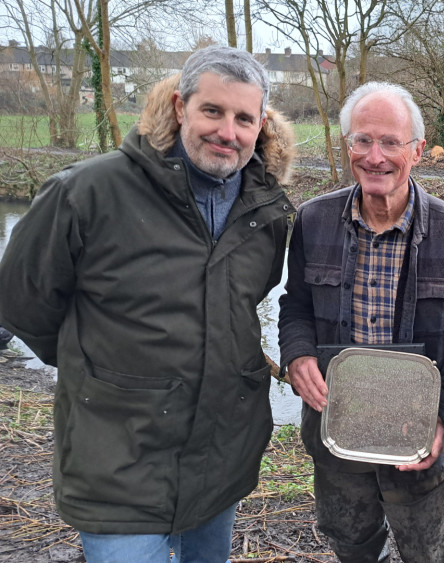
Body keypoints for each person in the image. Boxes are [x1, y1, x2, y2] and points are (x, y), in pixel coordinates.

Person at [0, 45, 295, 561]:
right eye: (212, 111)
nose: (228, 132)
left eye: (244, 118)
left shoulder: (266, 212)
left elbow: (245, 303)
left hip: (219, 462)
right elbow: (21, 304)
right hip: (119, 463)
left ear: (261, 125)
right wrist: (101, 373)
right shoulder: (86, 192)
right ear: (181, 106)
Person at [277, 81, 444, 563]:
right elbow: (295, 304)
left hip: (422, 434)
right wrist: (298, 354)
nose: (375, 156)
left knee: (429, 552)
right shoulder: (312, 221)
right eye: (362, 140)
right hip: (337, 427)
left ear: (418, 151)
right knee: (352, 544)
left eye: (390, 142)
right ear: (348, 146)